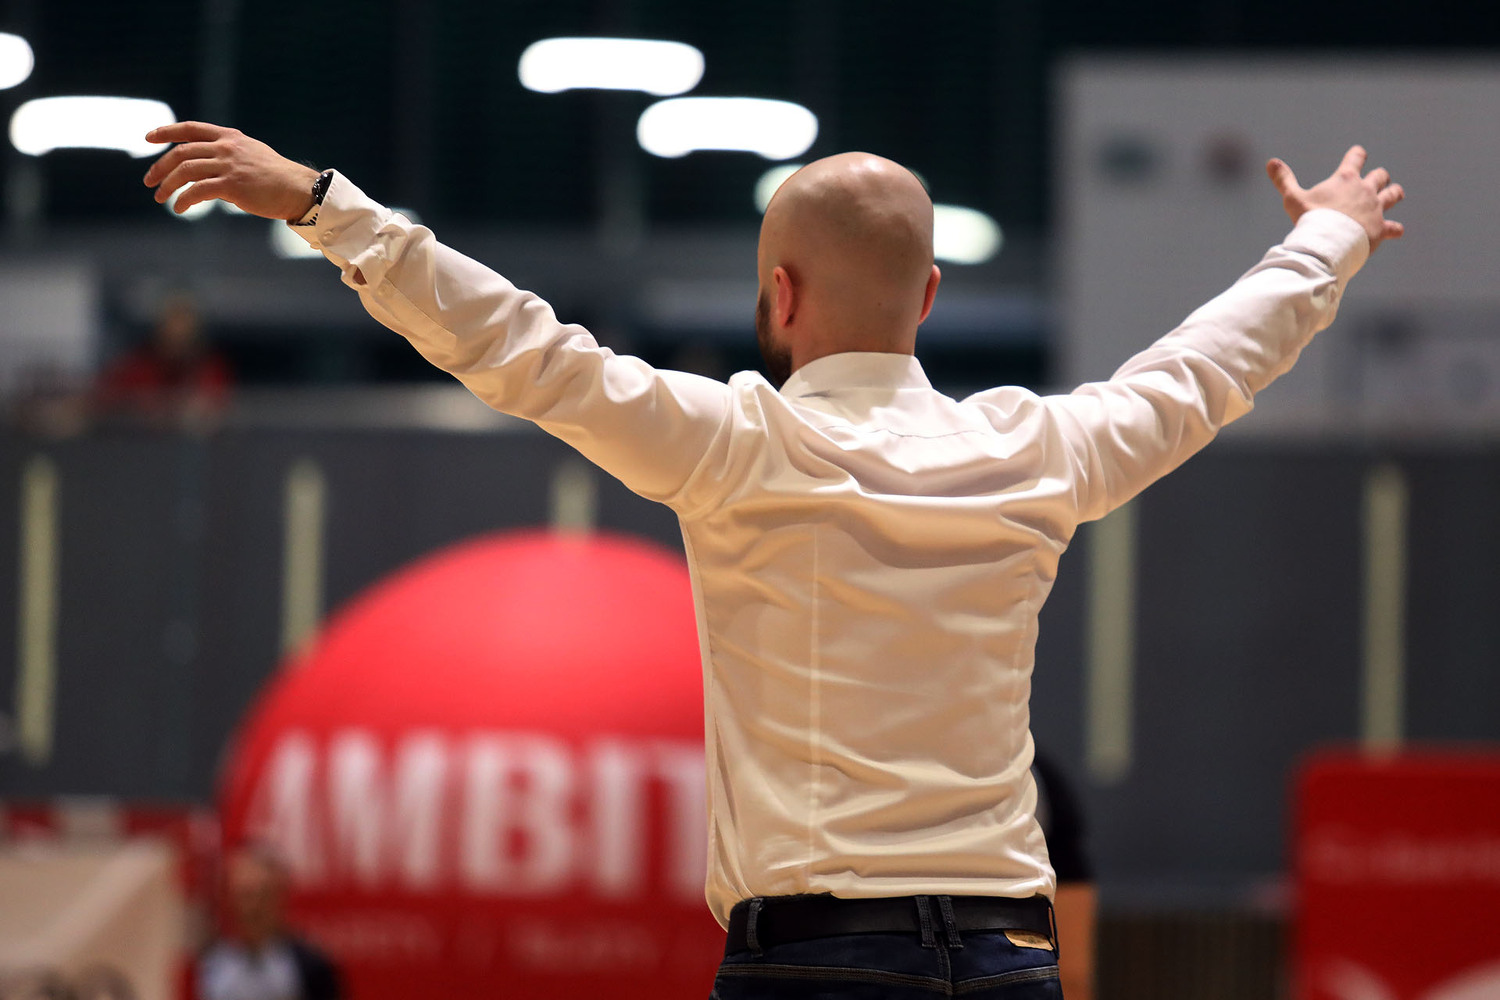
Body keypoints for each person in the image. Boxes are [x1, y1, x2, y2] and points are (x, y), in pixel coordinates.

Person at [142, 123, 1403, 998]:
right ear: (928, 295)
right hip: (1011, 961)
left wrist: (324, 204)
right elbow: (1200, 371)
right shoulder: (1036, 452)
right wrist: (1328, 241)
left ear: (780, 296)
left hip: (814, 962)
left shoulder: (739, 444)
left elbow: (520, 346)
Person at [195, 844, 344, 1000]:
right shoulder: (212, 963)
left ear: (281, 896)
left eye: (264, 895)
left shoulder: (310, 966)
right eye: (246, 894)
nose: (254, 906)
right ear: (230, 898)